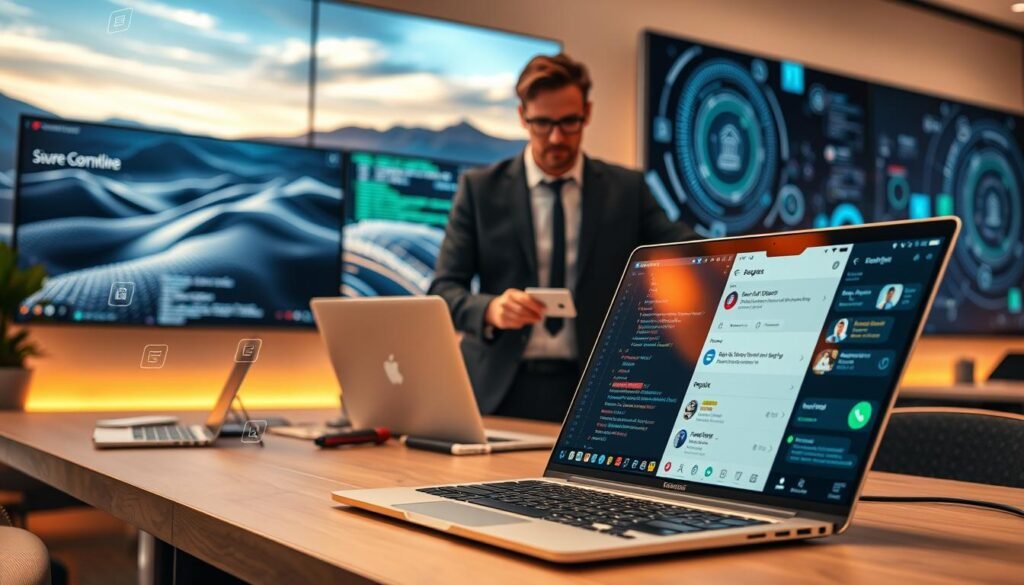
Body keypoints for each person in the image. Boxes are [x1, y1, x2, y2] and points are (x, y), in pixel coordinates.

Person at [429, 53, 695, 422]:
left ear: (586, 112)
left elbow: (686, 250)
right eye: (542, 123)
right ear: (523, 117)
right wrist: (490, 310)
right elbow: (443, 290)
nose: (556, 138)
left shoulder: (626, 190)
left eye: (569, 122)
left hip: (596, 390)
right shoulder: (480, 189)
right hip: (497, 390)